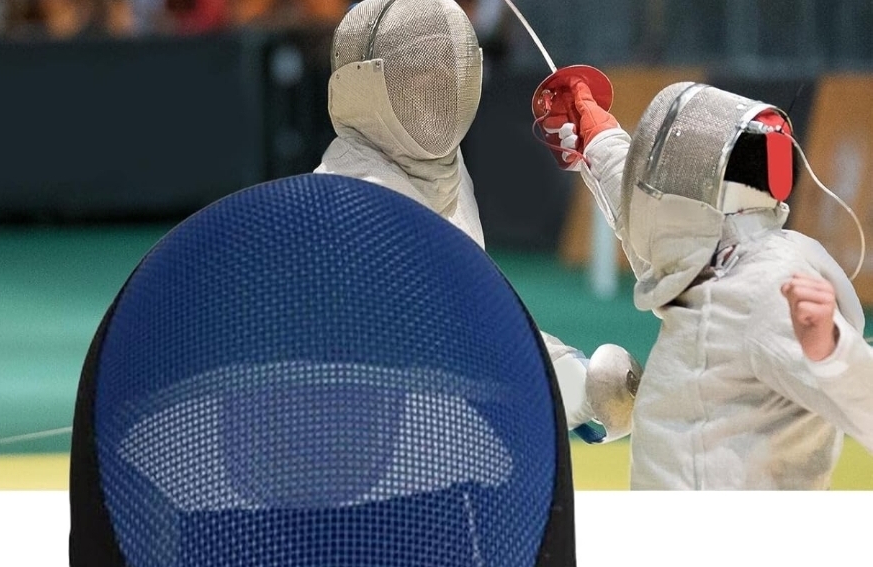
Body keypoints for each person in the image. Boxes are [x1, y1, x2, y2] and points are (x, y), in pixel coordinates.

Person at [315, 0, 641, 444]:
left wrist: (576, 376)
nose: (437, 92)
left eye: (444, 74)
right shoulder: (358, 201)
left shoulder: (442, 172)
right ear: (369, 86)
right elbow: (450, 352)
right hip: (367, 444)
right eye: (417, 77)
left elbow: (478, 318)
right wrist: (573, 385)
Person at [545, 77, 873, 488]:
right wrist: (598, 138)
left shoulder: (769, 286)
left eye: (676, 171)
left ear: (712, 190)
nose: (660, 182)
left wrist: (833, 352)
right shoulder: (704, 257)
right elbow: (651, 226)